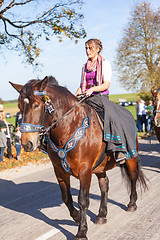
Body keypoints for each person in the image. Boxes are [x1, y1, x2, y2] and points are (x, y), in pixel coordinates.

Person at [75, 38, 138, 164]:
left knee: (112, 117)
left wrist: (92, 89)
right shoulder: (84, 67)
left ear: (98, 49)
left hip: (100, 97)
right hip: (86, 97)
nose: (88, 51)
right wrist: (76, 93)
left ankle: (119, 148)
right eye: (86, 48)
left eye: (90, 48)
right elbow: (82, 85)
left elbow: (106, 84)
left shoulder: (105, 64)